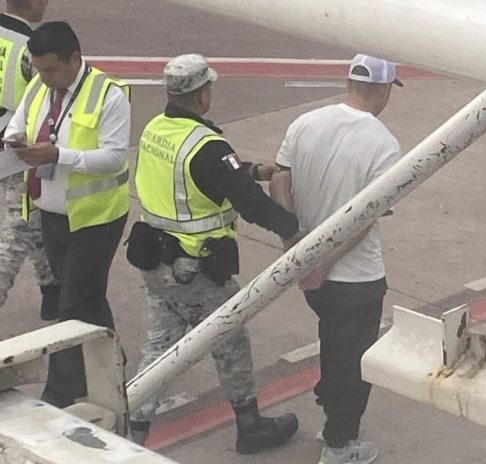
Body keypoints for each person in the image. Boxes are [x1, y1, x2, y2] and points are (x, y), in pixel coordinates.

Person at [127, 54, 301, 454]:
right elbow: (250, 205)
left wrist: (253, 170)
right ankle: (250, 425)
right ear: (203, 94)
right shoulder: (206, 145)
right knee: (230, 340)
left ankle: (133, 429)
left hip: (156, 260)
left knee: (160, 346)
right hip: (197, 269)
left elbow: (207, 177)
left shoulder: (158, 128)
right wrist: (292, 229)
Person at [270, 53, 402, 464]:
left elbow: (279, 180)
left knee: (334, 343)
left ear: (349, 83)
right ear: (382, 90)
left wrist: (296, 246)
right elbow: (365, 220)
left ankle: (331, 410)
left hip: (310, 274)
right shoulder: (382, 143)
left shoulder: (305, 123)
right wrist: (325, 262)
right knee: (354, 362)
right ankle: (340, 444)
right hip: (355, 277)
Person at [5, 21, 131, 407]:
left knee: (71, 305)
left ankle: (58, 396)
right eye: (39, 70)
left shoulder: (110, 96)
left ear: (75, 58)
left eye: (52, 70)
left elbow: (113, 157)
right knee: (88, 299)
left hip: (95, 219)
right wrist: (16, 139)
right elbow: (18, 121)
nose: (44, 78)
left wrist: (59, 155)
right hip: (52, 214)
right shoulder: (40, 86)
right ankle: (110, 366)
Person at [0, 0, 59, 320]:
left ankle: (53, 288)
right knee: (19, 231)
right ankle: (54, 288)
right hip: (16, 151)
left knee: (34, 220)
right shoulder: (30, 49)